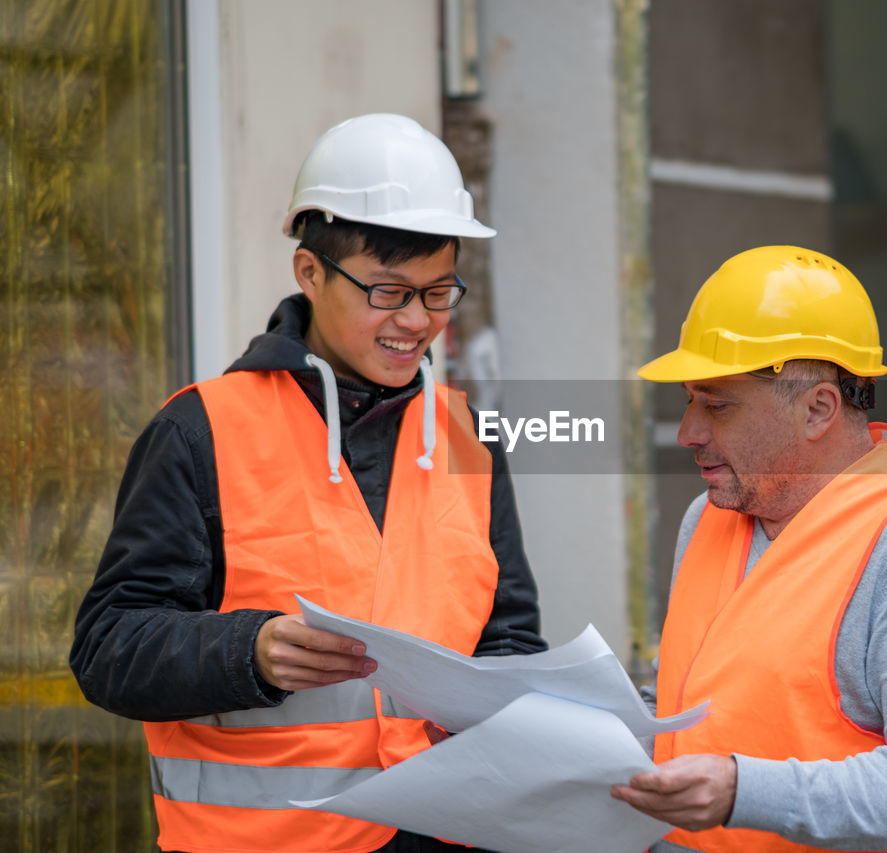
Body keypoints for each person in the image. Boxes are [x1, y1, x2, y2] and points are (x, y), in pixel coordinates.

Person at [69, 113, 546, 853]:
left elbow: (507, 638)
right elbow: (107, 646)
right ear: (310, 272)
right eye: (388, 291)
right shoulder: (200, 431)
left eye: (438, 291)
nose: (417, 321)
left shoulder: (469, 437)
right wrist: (248, 652)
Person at [612, 246, 887, 852]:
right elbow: (688, 709)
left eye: (717, 405)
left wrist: (743, 791)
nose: (688, 432)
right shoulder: (710, 518)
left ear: (818, 408)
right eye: (692, 400)